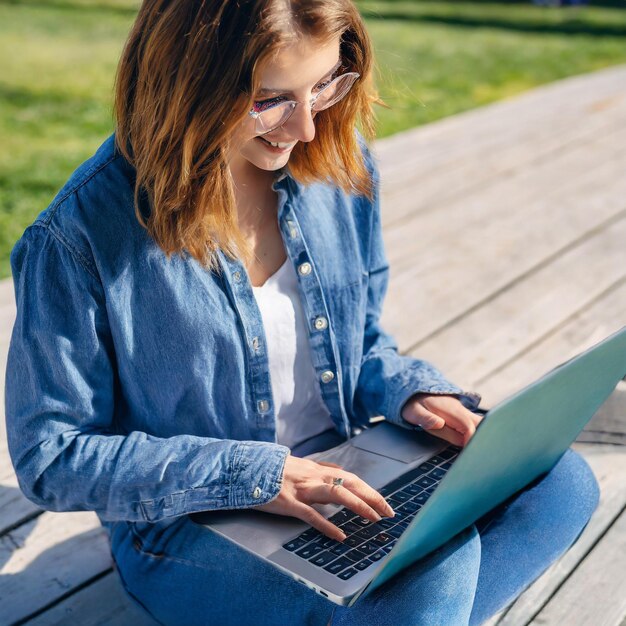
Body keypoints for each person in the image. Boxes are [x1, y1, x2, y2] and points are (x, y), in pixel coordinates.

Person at [5, 1, 599, 624]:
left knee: (560, 487)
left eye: (323, 85)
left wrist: (409, 392)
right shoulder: (77, 240)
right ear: (186, 82)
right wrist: (256, 474)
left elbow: (363, 339)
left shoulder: (340, 167)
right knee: (430, 575)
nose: (308, 128)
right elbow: (52, 456)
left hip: (348, 466)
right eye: (270, 99)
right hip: (189, 522)